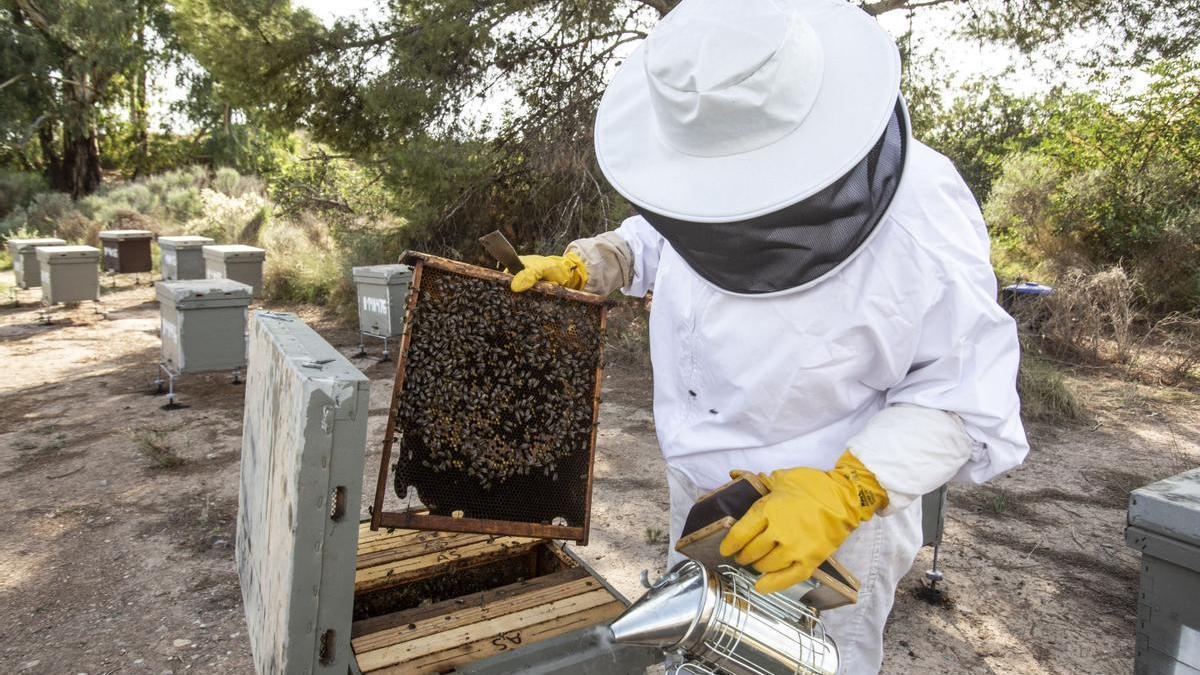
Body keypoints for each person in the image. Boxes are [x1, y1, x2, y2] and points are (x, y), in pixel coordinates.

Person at [510, 0, 1029, 671]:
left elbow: (964, 393)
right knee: (694, 653)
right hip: (702, 502)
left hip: (821, 524)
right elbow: (671, 229)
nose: (724, 208)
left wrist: (846, 490)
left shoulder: (921, 216)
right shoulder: (704, 181)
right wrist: (602, 257)